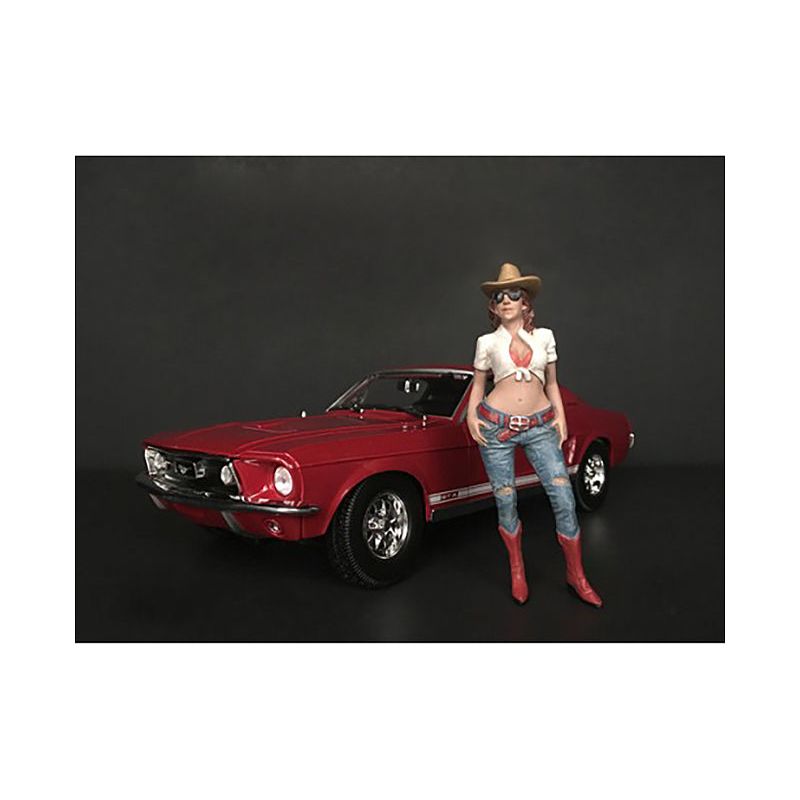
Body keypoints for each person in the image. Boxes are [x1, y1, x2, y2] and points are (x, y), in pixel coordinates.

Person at [465, 262, 602, 607]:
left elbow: (552, 383)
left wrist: (561, 417)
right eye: (499, 296)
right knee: (506, 500)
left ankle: (576, 574)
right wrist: (471, 416)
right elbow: (478, 385)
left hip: (540, 426)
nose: (506, 300)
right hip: (496, 426)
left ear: (525, 301)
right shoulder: (486, 342)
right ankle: (517, 569)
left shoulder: (544, 337)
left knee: (564, 497)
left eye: (513, 294)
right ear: (493, 306)